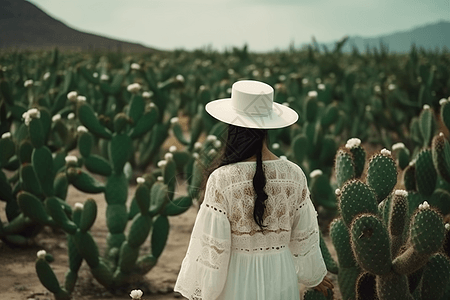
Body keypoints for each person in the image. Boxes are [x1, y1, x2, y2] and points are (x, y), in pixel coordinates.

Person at [174, 80, 333, 300]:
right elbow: (305, 236)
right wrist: (314, 276)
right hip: (281, 276)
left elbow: (213, 248)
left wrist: (205, 290)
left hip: (235, 280)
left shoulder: (222, 179)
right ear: (268, 125)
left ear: (232, 126)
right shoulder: (294, 174)